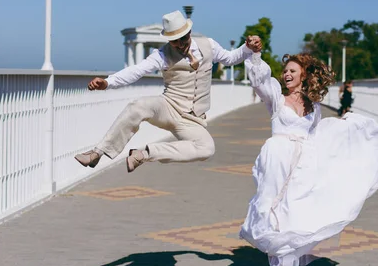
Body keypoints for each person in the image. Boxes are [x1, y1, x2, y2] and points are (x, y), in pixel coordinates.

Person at [239, 52, 378, 266]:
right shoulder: (276, 98)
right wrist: (255, 55)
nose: (287, 74)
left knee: (295, 216)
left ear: (304, 76)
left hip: (303, 165)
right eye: (285, 71)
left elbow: (316, 137)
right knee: (275, 216)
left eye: (292, 71)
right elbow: (259, 82)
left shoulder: (314, 107)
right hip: (277, 161)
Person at [74, 10, 262, 172]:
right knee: (137, 106)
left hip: (192, 119)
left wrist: (247, 48)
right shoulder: (162, 54)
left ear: (189, 32)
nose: (180, 44)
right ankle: (97, 153)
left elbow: (230, 58)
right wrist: (108, 83)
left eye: (183, 38)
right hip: (168, 106)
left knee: (207, 148)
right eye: (175, 41)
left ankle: (144, 154)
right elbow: (136, 71)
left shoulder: (208, 45)